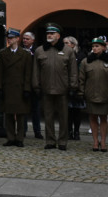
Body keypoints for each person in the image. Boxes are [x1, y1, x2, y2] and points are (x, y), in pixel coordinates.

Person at [32, 23, 78, 151]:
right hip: (46, 89)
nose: (49, 35)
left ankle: (63, 141)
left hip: (63, 89)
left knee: (64, 117)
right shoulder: (40, 50)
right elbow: (35, 71)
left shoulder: (68, 50)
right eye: (48, 33)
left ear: (58, 35)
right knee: (48, 117)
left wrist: (73, 87)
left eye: (52, 33)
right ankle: (50, 140)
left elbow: (73, 71)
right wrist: (36, 86)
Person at [79, 37, 108, 152]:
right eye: (93, 46)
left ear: (103, 47)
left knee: (103, 118)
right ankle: (95, 141)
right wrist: (81, 92)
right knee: (92, 117)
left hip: (105, 94)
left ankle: (104, 142)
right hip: (90, 94)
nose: (94, 48)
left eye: (97, 46)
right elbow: (81, 79)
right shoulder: (86, 62)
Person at [0, 28, 32, 147]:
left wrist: (27, 88)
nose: (9, 40)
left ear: (17, 39)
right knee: (9, 114)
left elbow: (28, 73)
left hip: (20, 87)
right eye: (8, 38)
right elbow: (0, 72)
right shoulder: (3, 53)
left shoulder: (25, 54)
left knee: (21, 115)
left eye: (11, 38)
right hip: (8, 87)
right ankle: (10, 137)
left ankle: (20, 138)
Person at [62, 36, 86, 141]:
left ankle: (76, 132)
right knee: (67, 112)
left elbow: (82, 73)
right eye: (64, 43)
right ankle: (69, 132)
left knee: (76, 112)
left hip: (77, 87)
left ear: (73, 44)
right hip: (65, 87)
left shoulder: (80, 56)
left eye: (67, 43)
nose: (65, 45)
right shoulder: (62, 54)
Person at [21, 31, 43, 140]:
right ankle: (23, 130)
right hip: (23, 83)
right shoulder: (20, 50)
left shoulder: (37, 51)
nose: (25, 40)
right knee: (24, 109)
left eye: (27, 39)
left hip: (35, 83)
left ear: (32, 40)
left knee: (36, 109)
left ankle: (37, 131)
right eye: (24, 38)